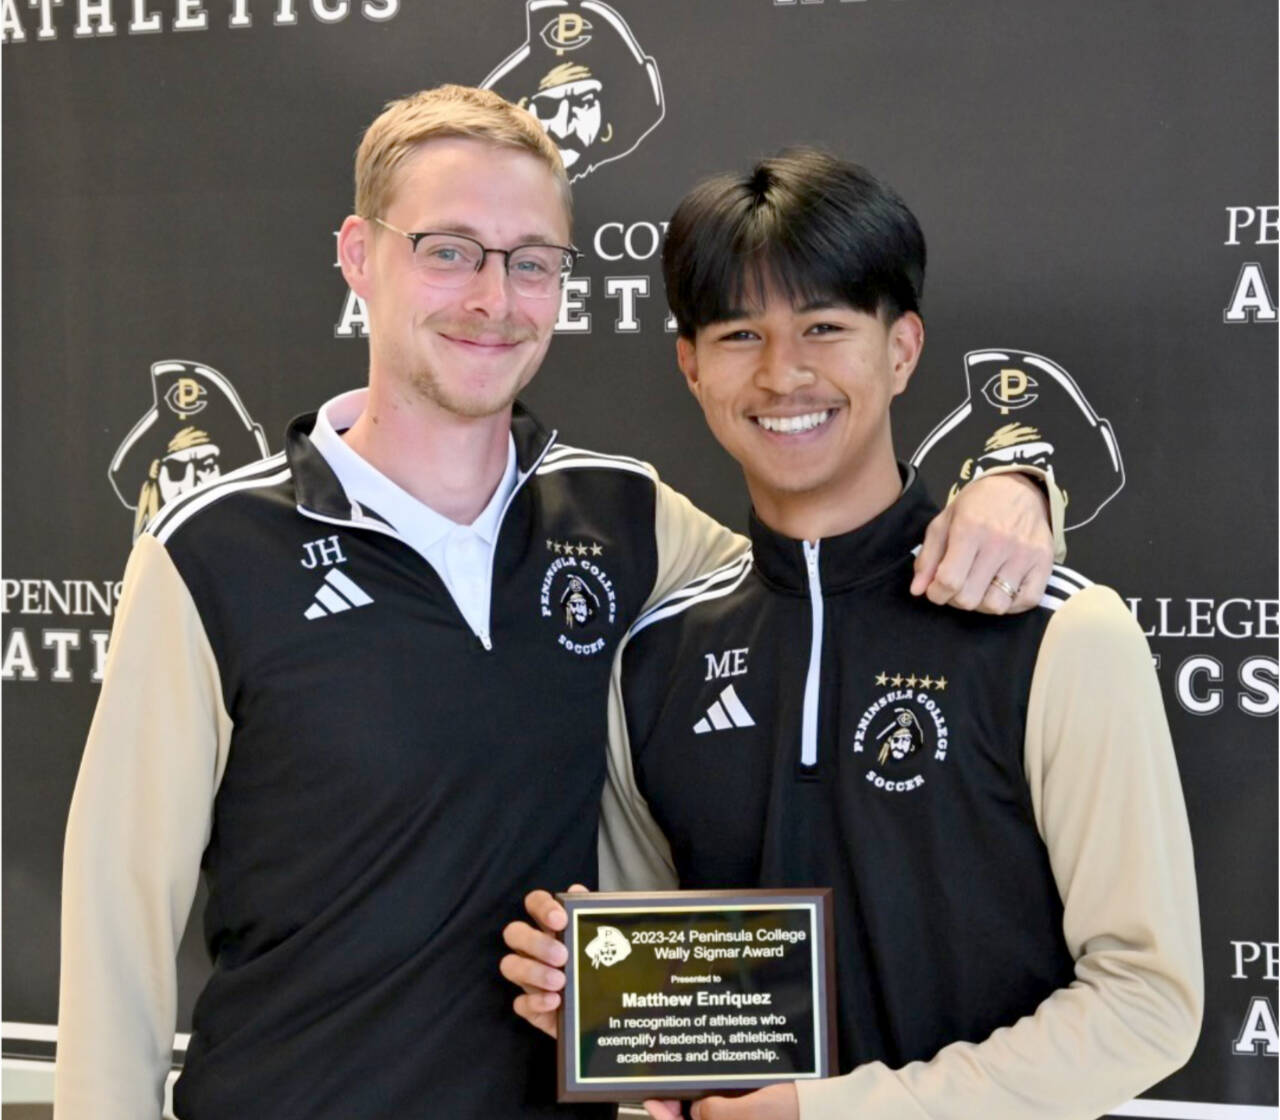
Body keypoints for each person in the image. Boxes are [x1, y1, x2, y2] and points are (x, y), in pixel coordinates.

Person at [55, 88, 1059, 1120]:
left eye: (531, 261)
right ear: (360, 256)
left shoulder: (627, 520)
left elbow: (831, 572)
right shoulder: (211, 553)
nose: (494, 299)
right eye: (449, 251)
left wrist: (1015, 487)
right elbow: (117, 919)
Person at [501, 150, 1202, 1120]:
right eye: (739, 333)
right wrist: (600, 1007)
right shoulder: (653, 657)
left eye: (824, 327)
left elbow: (1144, 1004)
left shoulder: (1061, 634)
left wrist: (828, 1112)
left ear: (901, 349)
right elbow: (665, 1043)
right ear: (690, 366)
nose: (782, 372)